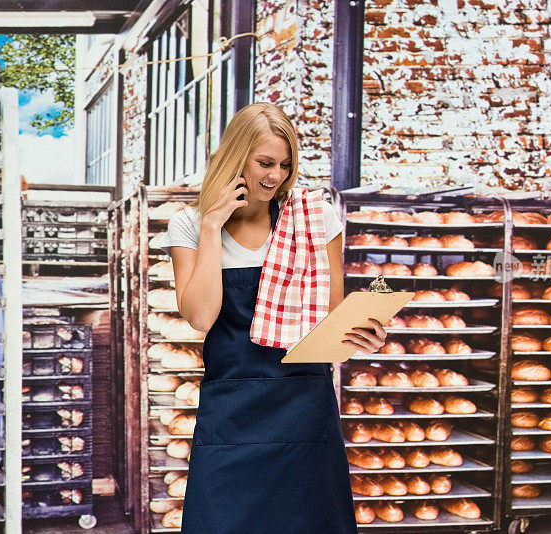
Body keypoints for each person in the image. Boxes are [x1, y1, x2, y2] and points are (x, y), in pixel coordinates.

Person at [161, 102, 387, 533]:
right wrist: (212, 227)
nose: (275, 176)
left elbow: (331, 317)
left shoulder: (315, 218)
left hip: (304, 402)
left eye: (285, 165)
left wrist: (362, 334)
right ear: (235, 157)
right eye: (265, 162)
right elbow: (201, 317)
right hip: (231, 408)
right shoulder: (190, 225)